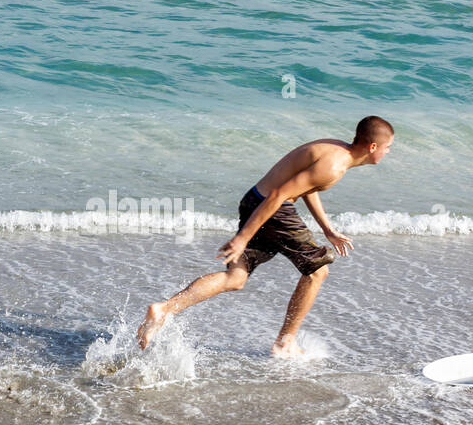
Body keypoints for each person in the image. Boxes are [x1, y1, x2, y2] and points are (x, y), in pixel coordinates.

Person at [138, 116, 393, 357]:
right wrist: (242, 239)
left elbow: (306, 188)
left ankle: (164, 309)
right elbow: (279, 196)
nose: (388, 152)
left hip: (254, 202)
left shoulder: (335, 152)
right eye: (387, 147)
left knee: (235, 278)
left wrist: (327, 229)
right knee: (318, 270)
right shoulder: (334, 166)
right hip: (272, 208)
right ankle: (285, 342)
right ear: (372, 146)